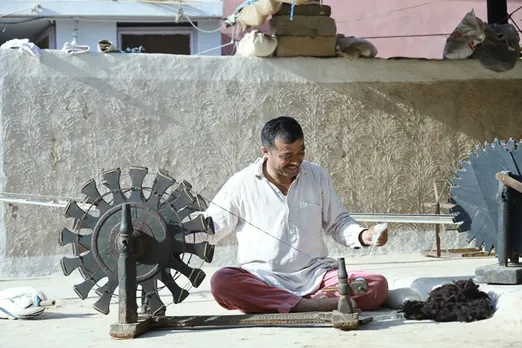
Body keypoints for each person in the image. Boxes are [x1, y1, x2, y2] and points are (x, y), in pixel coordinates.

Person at [187, 116, 389, 314]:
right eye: (286, 156)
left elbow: (338, 222)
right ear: (266, 152)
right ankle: (309, 305)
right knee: (222, 282)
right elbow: (211, 226)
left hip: (316, 276)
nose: (295, 162)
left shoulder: (317, 175)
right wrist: (174, 232)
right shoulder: (241, 183)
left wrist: (364, 235)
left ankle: (293, 303)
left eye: (300, 153)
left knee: (376, 285)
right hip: (264, 279)